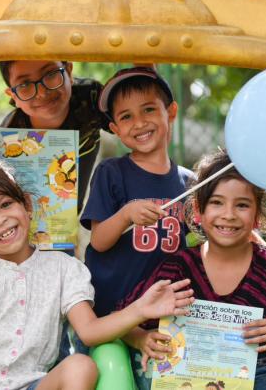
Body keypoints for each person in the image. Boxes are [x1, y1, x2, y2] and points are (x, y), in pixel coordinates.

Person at [0, 157, 195, 390]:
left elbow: (89, 332)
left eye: (5, 204)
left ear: (26, 205)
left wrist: (139, 309)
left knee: (81, 366)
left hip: (31, 385)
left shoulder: (63, 269)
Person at [123, 150, 266, 390]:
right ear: (198, 211)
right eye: (217, 203)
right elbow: (125, 318)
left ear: (256, 217)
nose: (229, 215)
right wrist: (141, 339)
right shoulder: (178, 268)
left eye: (242, 205)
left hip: (261, 376)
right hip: (189, 376)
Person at [80, 67, 194, 386]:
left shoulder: (189, 183)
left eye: (148, 109)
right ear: (115, 128)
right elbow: (99, 241)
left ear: (170, 112)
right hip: (114, 309)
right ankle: (135, 339)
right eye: (126, 117)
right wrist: (126, 214)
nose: (140, 123)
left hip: (164, 315)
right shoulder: (112, 172)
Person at [0, 60, 109, 211]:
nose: (42, 92)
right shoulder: (10, 136)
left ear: (69, 72)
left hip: (81, 165)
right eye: (25, 84)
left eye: (51, 74)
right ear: (13, 96)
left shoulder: (91, 96)